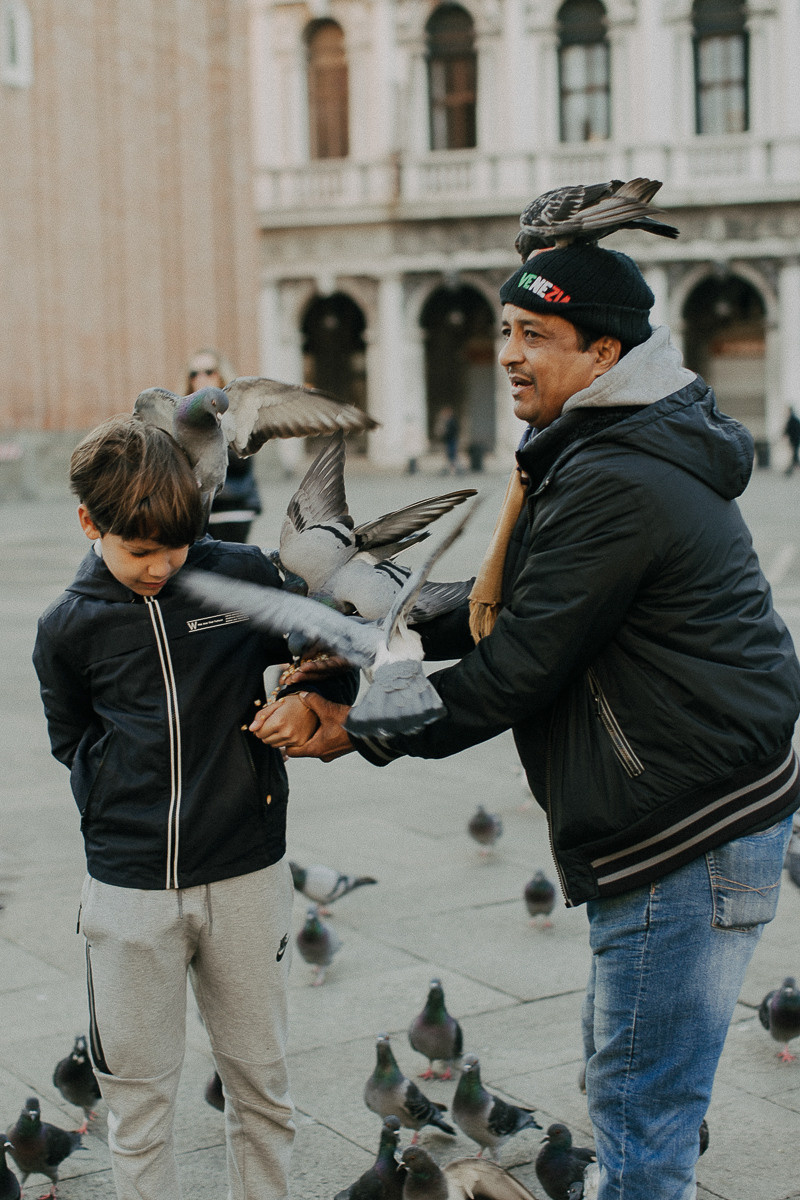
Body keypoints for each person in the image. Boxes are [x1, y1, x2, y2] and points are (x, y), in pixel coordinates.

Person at [250, 243, 800, 1200]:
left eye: (534, 335)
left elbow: (515, 669)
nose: (508, 352)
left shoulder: (617, 477)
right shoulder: (602, 448)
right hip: (680, 811)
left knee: (640, 1105)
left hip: (689, 829)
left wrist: (355, 725)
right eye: (505, 330)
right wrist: (360, 638)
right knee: (626, 1082)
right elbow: (511, 602)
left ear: (603, 353)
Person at [32, 416, 356, 1200]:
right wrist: (117, 815)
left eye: (175, 548)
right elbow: (72, 740)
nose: (160, 567)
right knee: (138, 1106)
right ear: (89, 523)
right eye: (139, 550)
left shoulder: (240, 576)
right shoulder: (67, 627)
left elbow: (334, 640)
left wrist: (313, 696)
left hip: (247, 875)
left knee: (261, 1090)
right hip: (130, 895)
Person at [185, 348, 262, 541]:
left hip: (233, 508)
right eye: (194, 373)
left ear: (221, 375)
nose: (201, 378)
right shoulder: (182, 416)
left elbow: (240, 459)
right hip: (196, 513)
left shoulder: (236, 412)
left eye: (209, 371)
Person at [783, 405, 800, 474]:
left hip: (795, 439)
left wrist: (784, 434)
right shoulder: (794, 419)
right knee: (794, 454)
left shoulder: (792, 419)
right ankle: (790, 469)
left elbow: (788, 429)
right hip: (796, 439)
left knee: (794, 455)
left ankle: (790, 470)